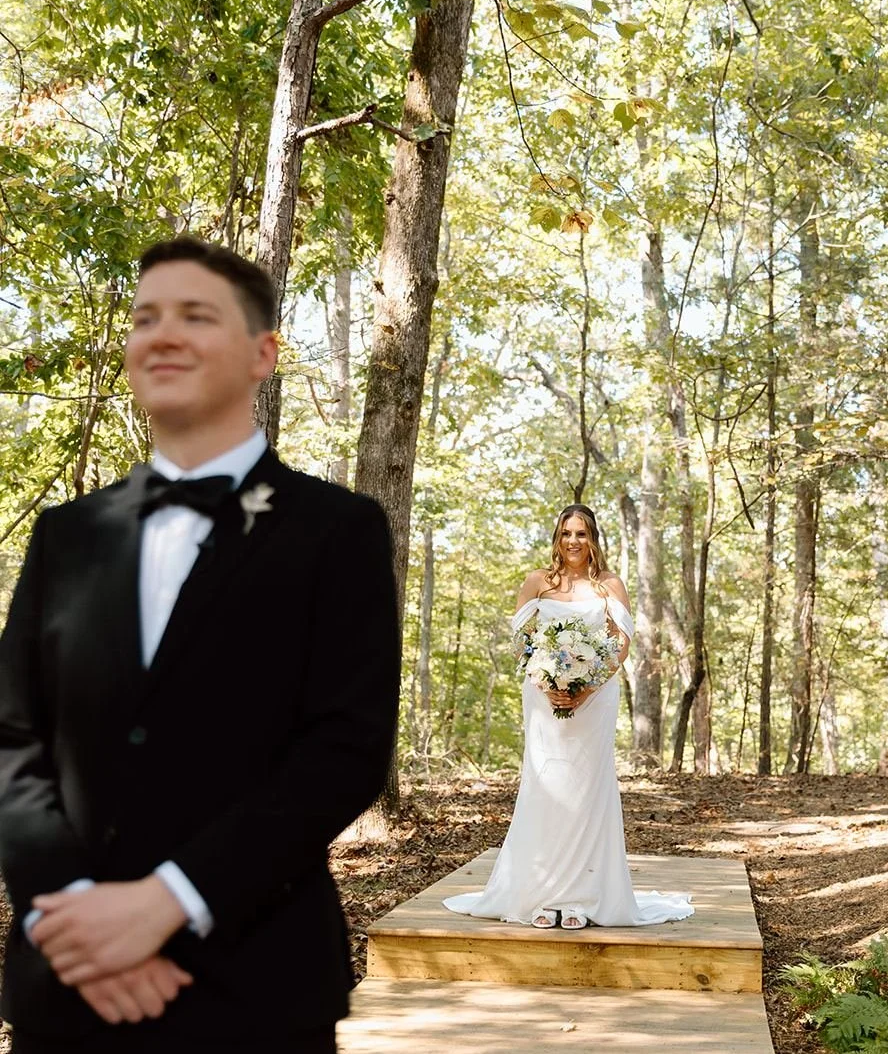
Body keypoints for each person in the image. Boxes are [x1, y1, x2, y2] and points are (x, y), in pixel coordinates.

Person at [0, 237, 400, 1053]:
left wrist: (167, 902)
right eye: (146, 315)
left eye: (195, 314)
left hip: (254, 989)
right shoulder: (67, 534)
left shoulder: (337, 531)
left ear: (263, 353)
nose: (163, 333)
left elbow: (344, 749)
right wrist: (77, 919)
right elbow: (11, 740)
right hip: (66, 989)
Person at [443, 503, 692, 930]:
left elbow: (621, 642)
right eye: (566, 533)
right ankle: (542, 892)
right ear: (557, 537)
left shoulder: (610, 584)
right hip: (544, 698)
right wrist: (548, 683)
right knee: (546, 785)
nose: (573, 541)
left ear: (593, 538)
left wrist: (586, 688)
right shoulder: (538, 582)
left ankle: (582, 896)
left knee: (586, 789)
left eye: (581, 534)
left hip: (595, 700)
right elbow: (521, 642)